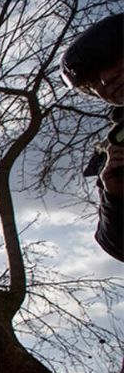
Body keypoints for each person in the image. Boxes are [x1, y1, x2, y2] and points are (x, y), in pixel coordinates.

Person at [60, 13, 124, 261]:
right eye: (91, 80)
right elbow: (116, 246)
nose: (106, 79)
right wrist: (115, 196)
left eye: (113, 60)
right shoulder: (114, 150)